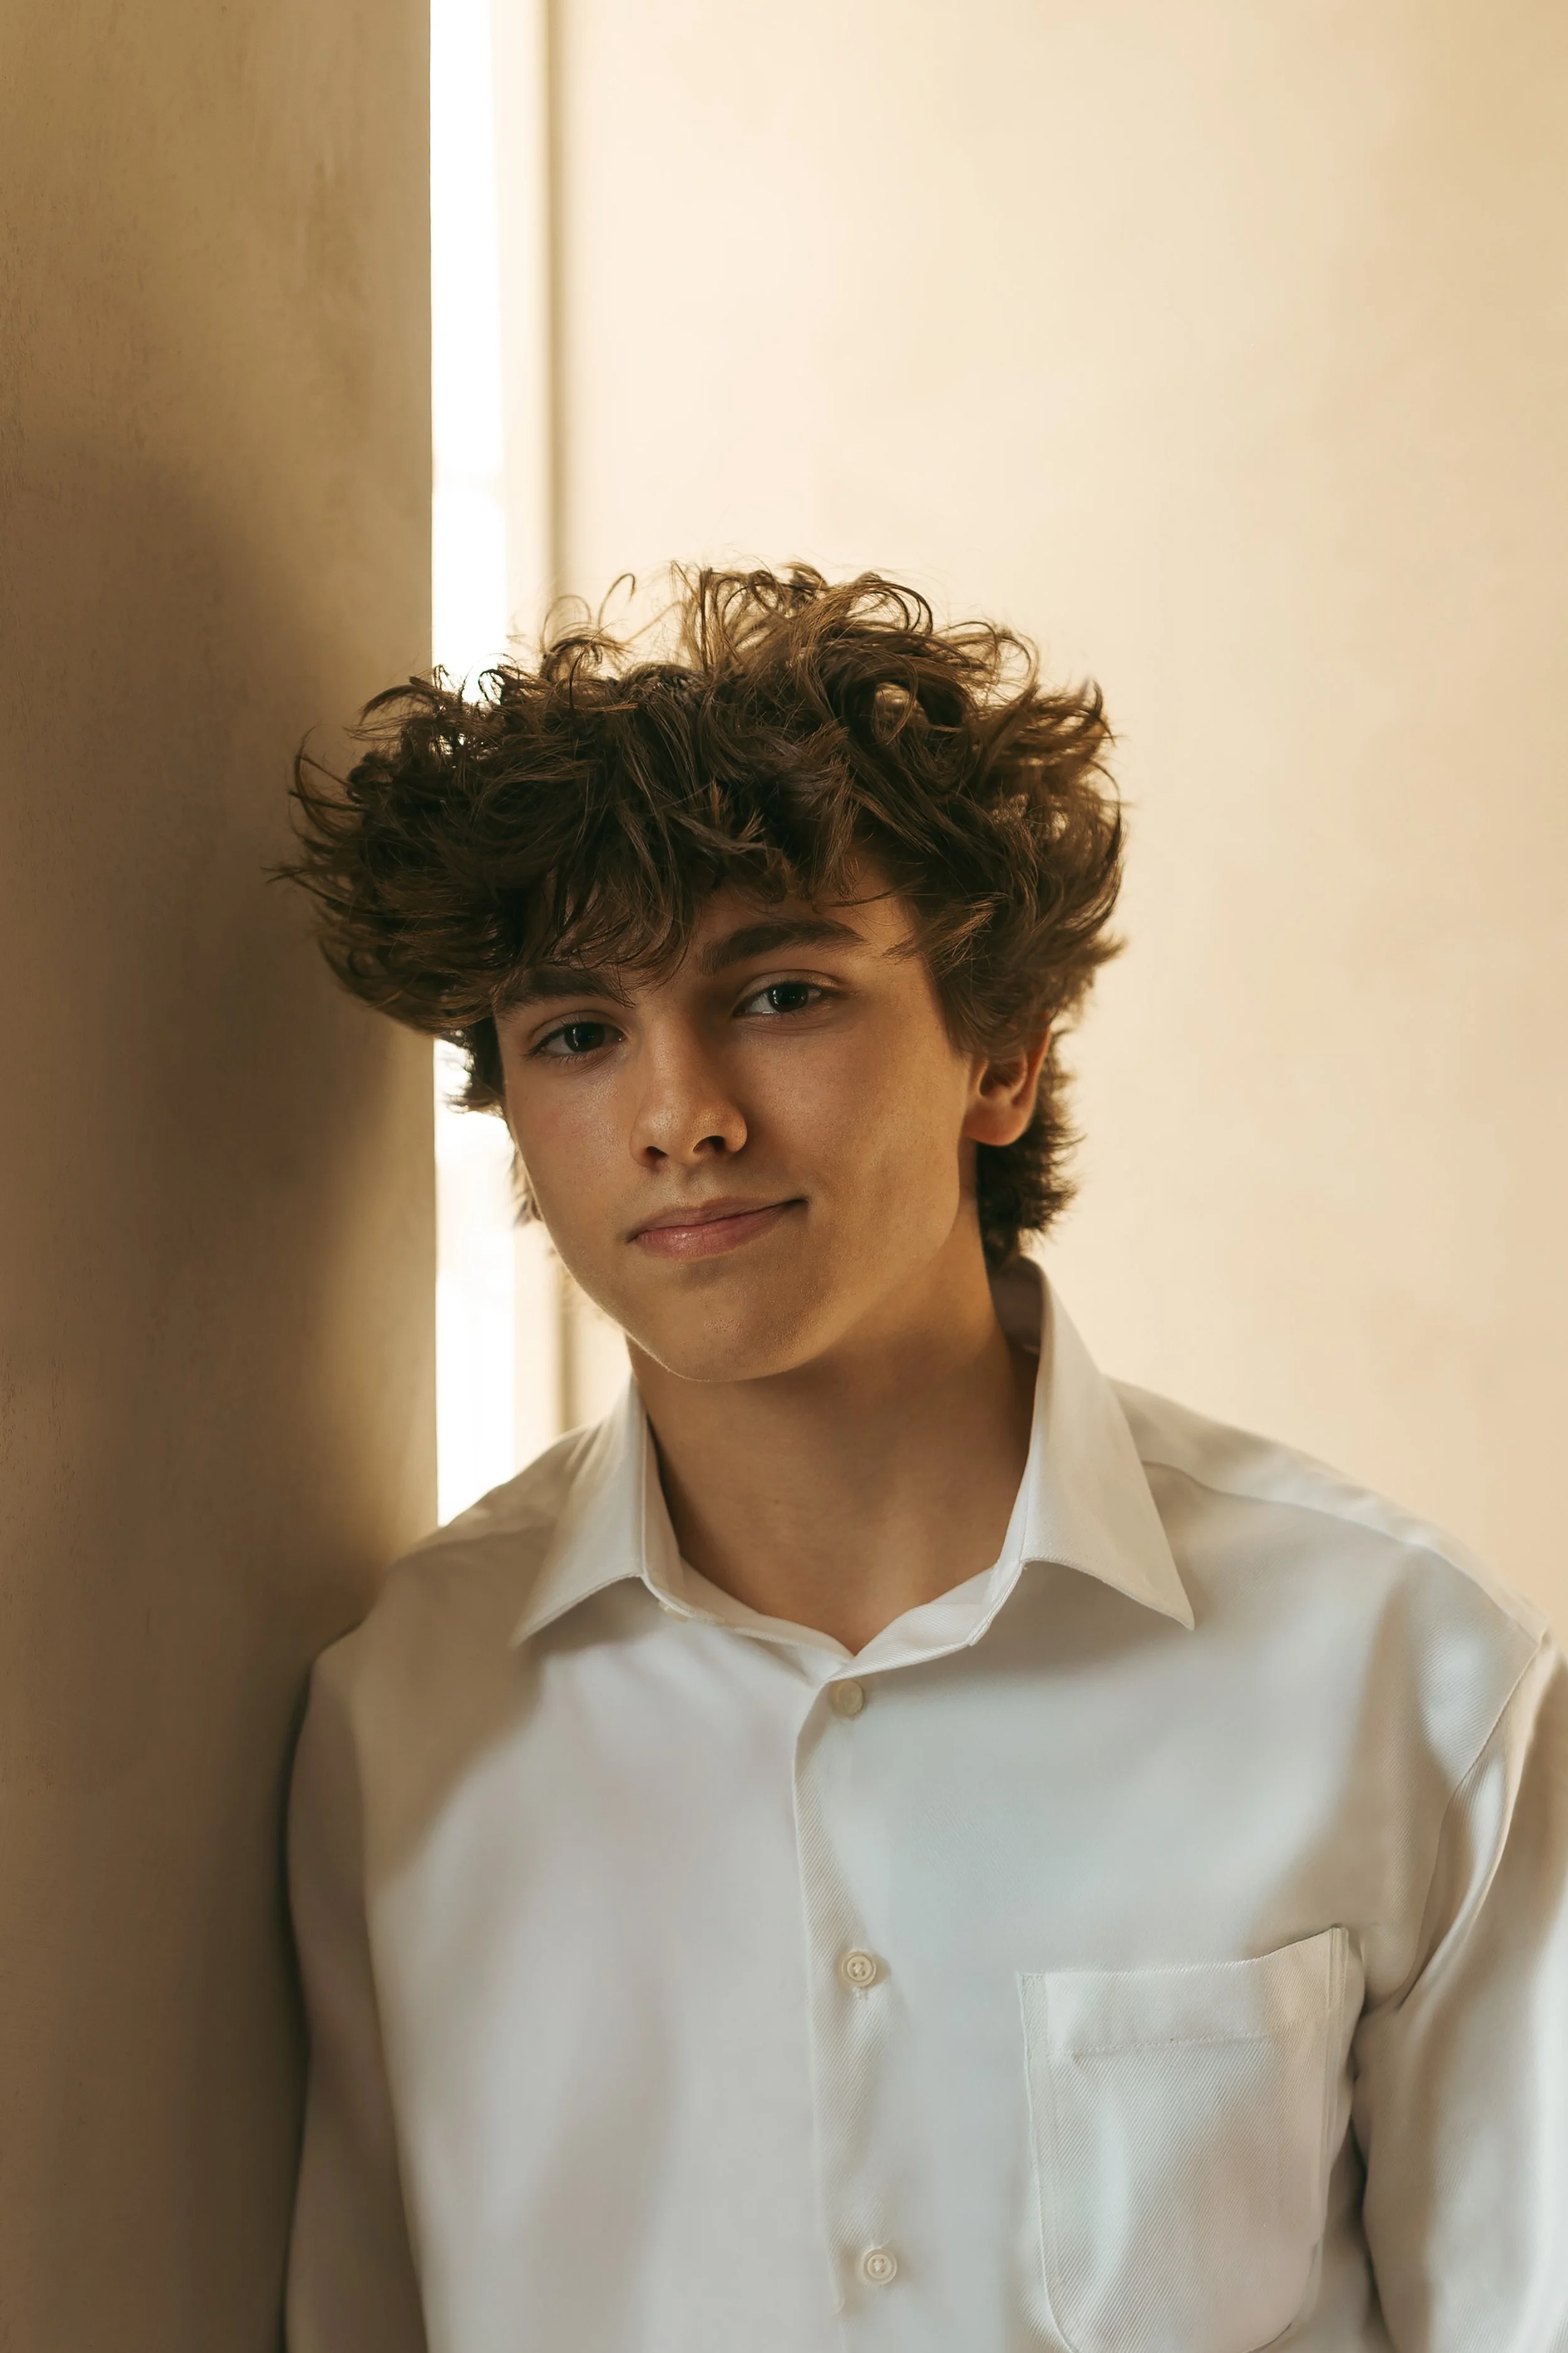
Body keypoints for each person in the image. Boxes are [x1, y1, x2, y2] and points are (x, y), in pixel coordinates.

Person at [280, 568, 1568, 2353]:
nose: (680, 1117)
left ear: (1002, 1056)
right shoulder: (403, 1716)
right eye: (576, 1035)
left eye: (782, 994)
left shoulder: (1405, 1672)